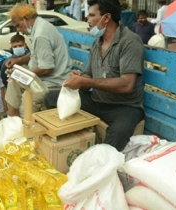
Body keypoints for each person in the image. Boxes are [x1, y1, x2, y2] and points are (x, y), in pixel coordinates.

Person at [44, 0, 145, 151]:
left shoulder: (130, 42)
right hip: (97, 101)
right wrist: (79, 79)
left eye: (91, 15)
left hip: (124, 107)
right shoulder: (97, 43)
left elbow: (126, 85)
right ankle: (69, 145)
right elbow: (88, 76)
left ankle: (97, 166)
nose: (88, 20)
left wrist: (87, 81)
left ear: (106, 18)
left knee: (117, 135)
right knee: (50, 97)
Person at [5, 3, 72, 117]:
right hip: (43, 77)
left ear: (26, 19)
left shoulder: (41, 33)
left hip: (53, 82)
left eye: (18, 25)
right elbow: (36, 54)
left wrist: (26, 74)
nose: (18, 30)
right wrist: (18, 61)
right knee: (13, 80)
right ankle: (12, 115)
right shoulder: (38, 28)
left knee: (27, 99)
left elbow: (47, 68)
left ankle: (24, 123)